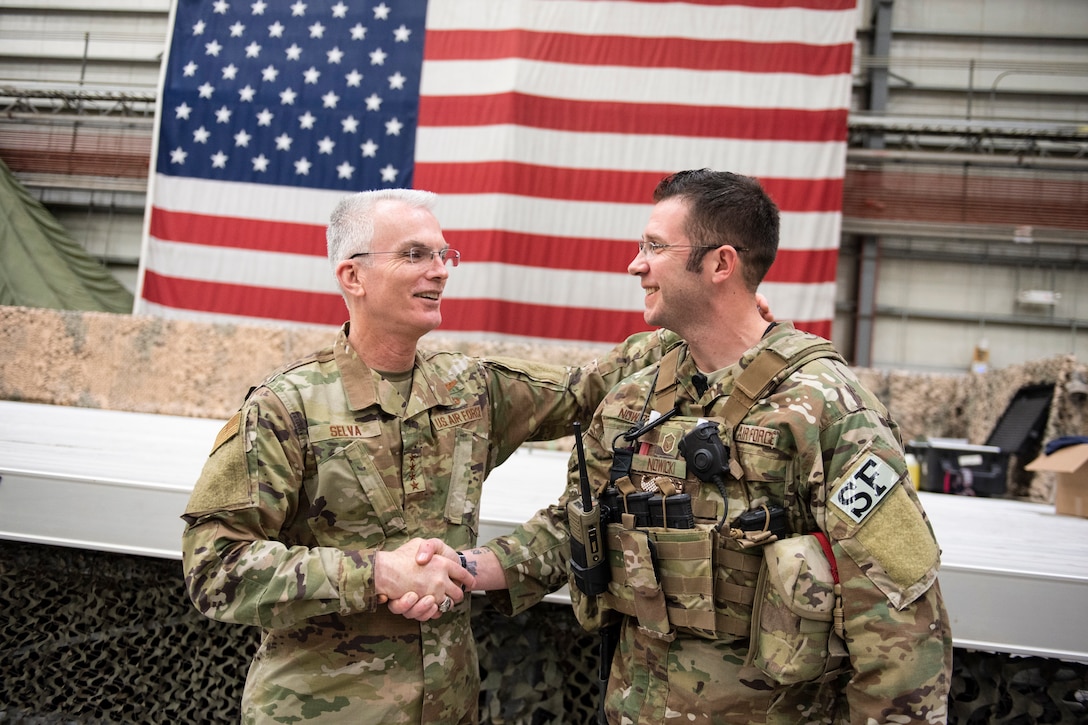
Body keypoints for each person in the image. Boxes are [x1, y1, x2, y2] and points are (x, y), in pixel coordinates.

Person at [434, 169, 953, 724]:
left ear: (720, 264)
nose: (636, 264)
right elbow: (578, 527)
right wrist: (470, 566)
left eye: (655, 247)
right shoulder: (635, 397)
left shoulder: (828, 410)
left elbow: (900, 624)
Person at [179, 188, 686, 724]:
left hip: (448, 708)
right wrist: (376, 574)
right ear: (353, 277)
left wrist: (708, 325)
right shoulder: (286, 407)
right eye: (415, 255)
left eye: (446, 255)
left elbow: (594, 389)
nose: (441, 271)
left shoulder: (468, 390)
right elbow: (215, 566)